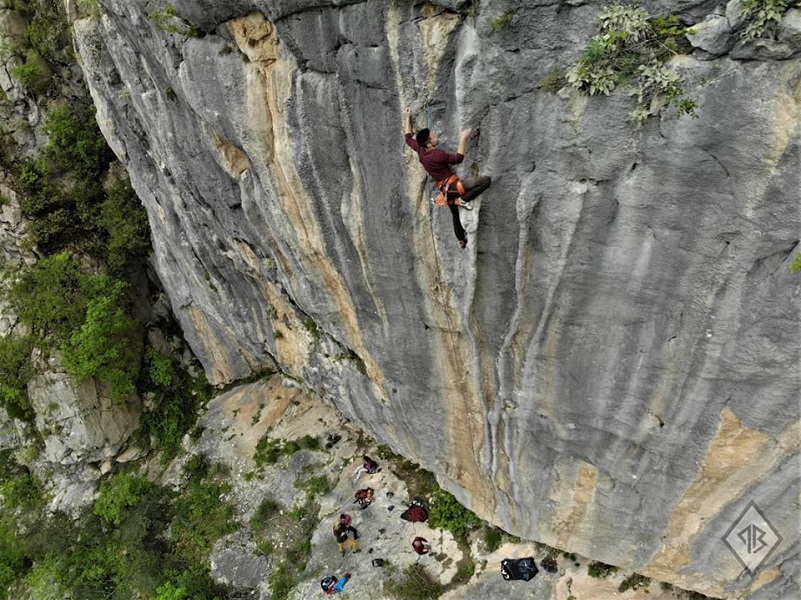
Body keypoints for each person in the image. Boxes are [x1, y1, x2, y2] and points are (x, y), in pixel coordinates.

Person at [404, 107, 492, 248]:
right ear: (429, 143)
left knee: (455, 215)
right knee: (485, 181)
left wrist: (407, 116)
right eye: (433, 136)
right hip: (452, 187)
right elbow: (458, 158)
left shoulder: (420, 150)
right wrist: (463, 138)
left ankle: (461, 240)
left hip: (444, 189)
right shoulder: (437, 155)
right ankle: (462, 199)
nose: (436, 135)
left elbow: (408, 138)